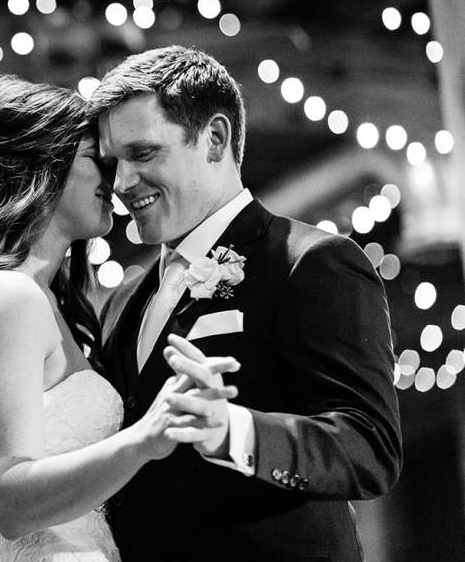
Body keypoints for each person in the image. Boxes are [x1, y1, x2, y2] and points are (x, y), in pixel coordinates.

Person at [0, 74, 237, 562]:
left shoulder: (39, 299)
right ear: (40, 166)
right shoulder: (8, 295)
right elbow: (10, 502)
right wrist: (146, 437)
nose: (117, 182)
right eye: (98, 160)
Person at [87, 46, 403, 562]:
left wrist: (235, 431)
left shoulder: (309, 262)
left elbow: (369, 446)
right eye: (112, 163)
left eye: (142, 154)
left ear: (215, 138)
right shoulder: (123, 299)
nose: (121, 183)